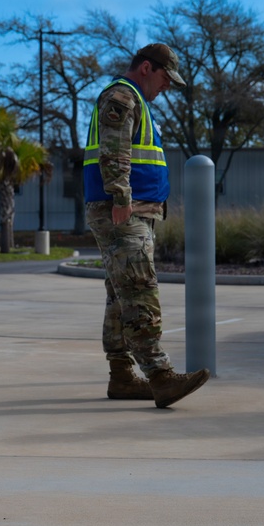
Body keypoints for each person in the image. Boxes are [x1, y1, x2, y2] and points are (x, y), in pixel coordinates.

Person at [83, 43, 210, 408]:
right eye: (165, 78)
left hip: (134, 209)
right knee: (140, 290)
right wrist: (121, 197)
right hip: (124, 210)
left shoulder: (136, 100)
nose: (167, 86)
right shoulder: (123, 97)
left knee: (121, 295)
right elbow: (114, 151)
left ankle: (122, 376)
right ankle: (161, 376)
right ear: (145, 68)